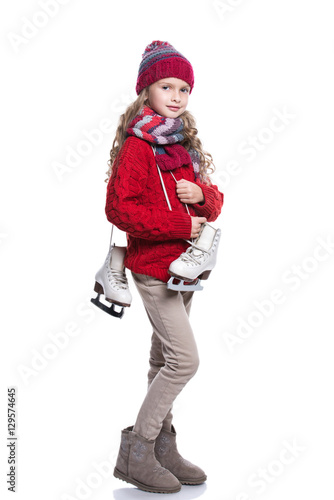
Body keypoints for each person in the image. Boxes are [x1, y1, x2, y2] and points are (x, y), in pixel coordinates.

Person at [105, 40, 224, 494]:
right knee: (184, 360)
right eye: (165, 85)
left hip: (186, 268)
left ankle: (162, 449)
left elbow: (213, 199)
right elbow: (120, 209)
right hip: (154, 268)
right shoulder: (138, 147)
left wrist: (203, 198)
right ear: (146, 91)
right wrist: (181, 220)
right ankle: (138, 451)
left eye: (184, 88)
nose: (176, 96)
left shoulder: (184, 143)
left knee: (162, 358)